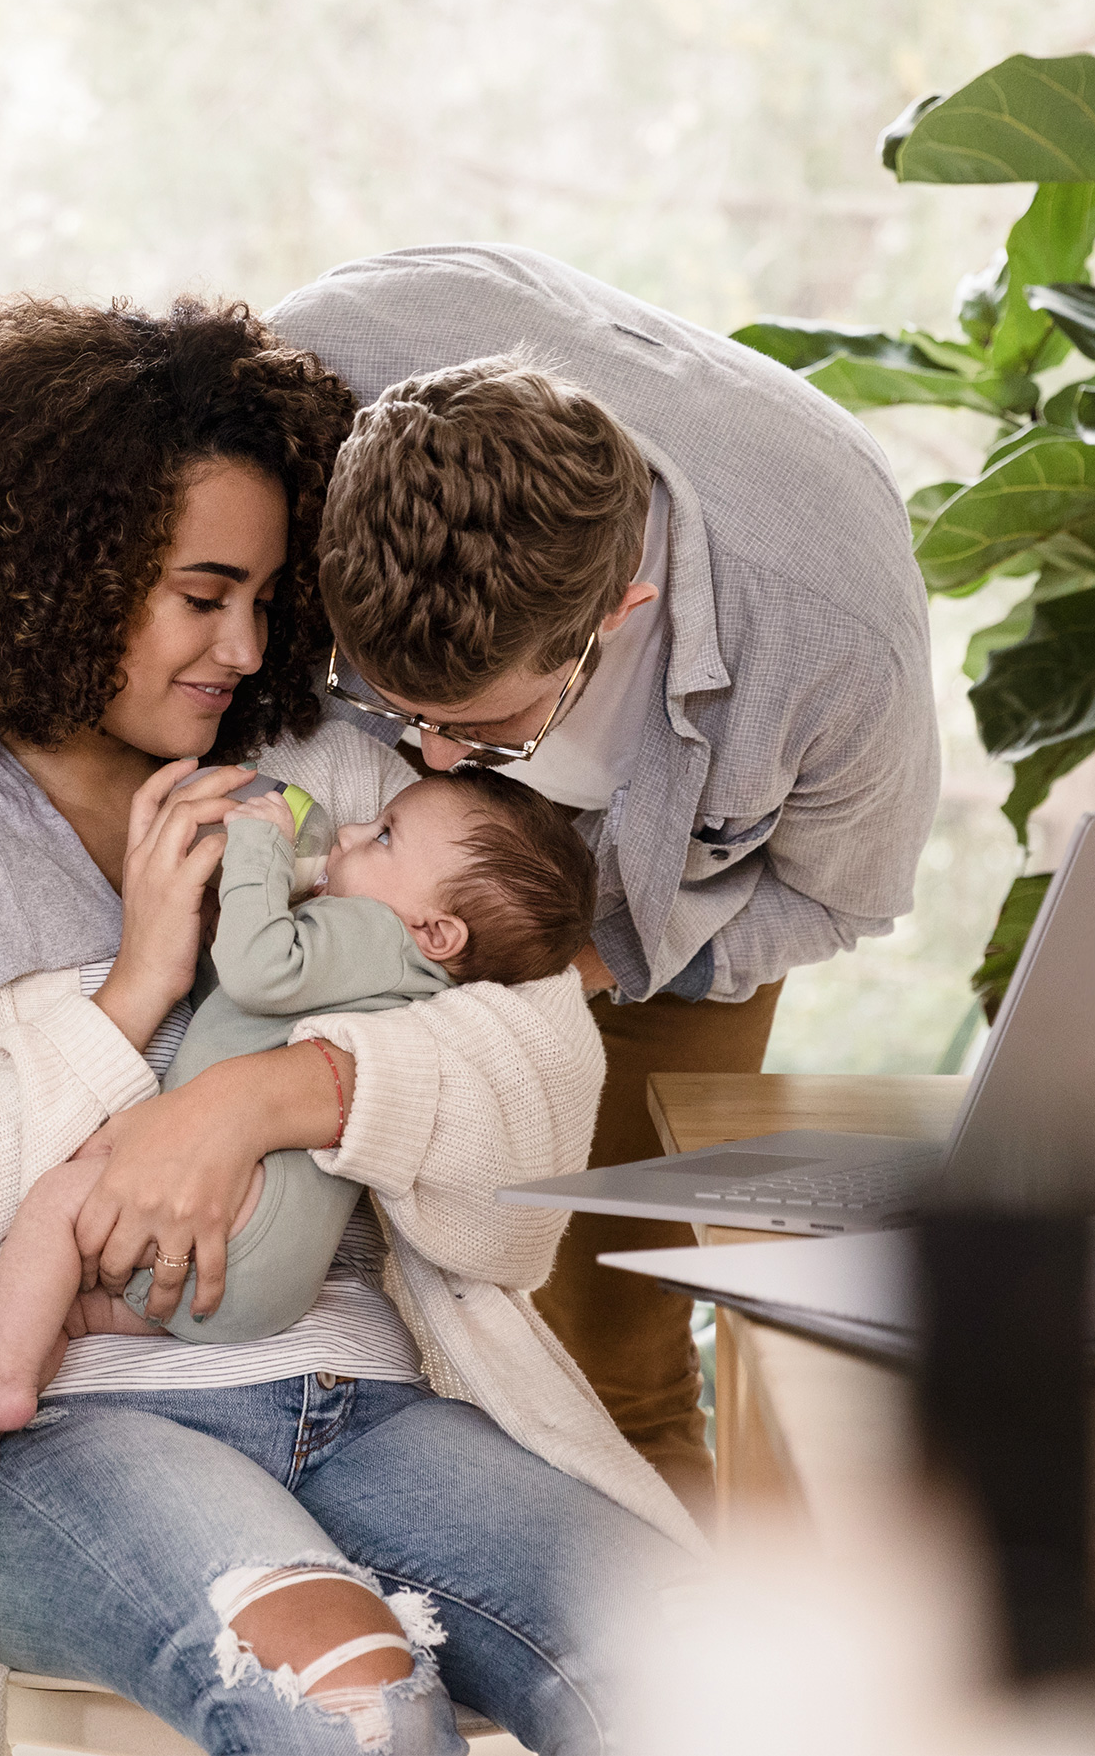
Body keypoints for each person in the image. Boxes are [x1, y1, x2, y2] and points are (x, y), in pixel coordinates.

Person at [0, 294, 700, 1755]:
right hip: (67, 1433)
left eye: (264, 595)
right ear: (61, 574)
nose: (249, 645)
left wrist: (277, 1092)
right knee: (354, 1706)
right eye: (202, 595)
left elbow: (539, 1070)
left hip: (370, 1389)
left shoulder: (335, 777)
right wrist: (128, 1001)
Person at [266, 244, 942, 1517]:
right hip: (358, 854)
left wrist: (601, 964)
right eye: (390, 708)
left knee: (610, 1362)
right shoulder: (294, 386)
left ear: (618, 613)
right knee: (384, 1307)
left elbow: (841, 899)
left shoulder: (838, 648)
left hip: (675, 909)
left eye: (484, 731)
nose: (434, 761)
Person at [0, 770, 596, 1444]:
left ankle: (0, 1378)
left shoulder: (377, 934)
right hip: (266, 1281)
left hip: (241, 1232)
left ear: (436, 931)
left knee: (55, 1206)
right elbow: (232, 1003)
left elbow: (260, 971)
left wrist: (262, 842)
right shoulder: (393, 969)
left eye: (383, 835)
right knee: (59, 1311)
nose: (348, 831)